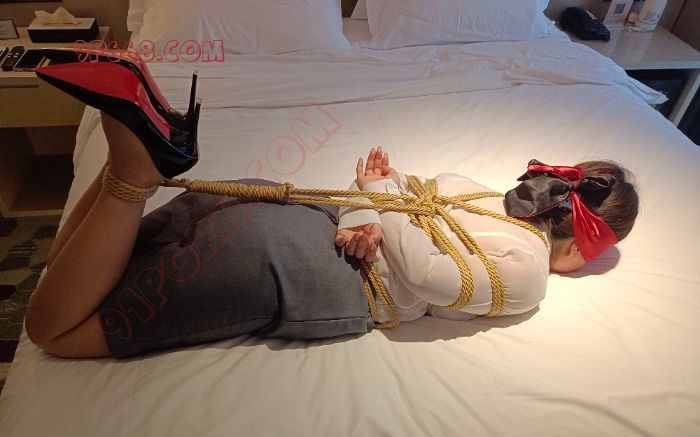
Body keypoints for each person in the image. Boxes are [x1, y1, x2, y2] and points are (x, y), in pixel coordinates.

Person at [25, 51, 639, 360]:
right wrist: (370, 211)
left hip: (289, 210)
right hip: (307, 271)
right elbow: (423, 272)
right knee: (55, 328)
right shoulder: (529, 272)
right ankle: (134, 169)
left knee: (72, 271)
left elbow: (384, 187)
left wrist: (366, 212)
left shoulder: (475, 190)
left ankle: (132, 151)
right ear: (583, 250)